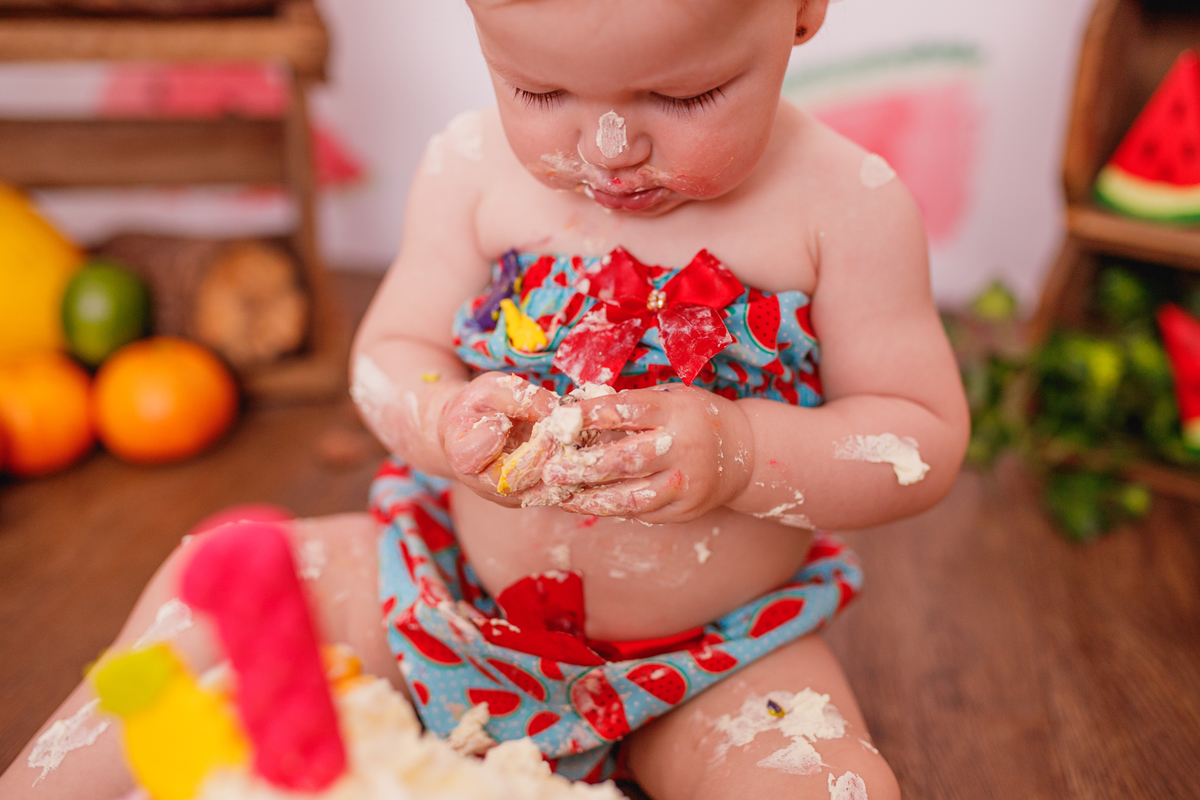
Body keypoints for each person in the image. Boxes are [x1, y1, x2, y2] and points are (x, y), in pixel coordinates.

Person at [1, 1, 968, 798]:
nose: (610, 146)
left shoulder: (847, 205)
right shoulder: (471, 169)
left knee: (829, 784)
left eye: (685, 94)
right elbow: (391, 352)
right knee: (221, 573)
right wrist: (439, 418)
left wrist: (746, 452)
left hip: (714, 657)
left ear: (799, 13)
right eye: (539, 91)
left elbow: (919, 438)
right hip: (443, 595)